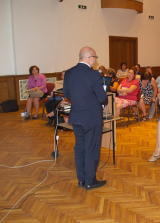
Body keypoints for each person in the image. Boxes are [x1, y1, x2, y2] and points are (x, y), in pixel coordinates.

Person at [63, 46, 108, 190]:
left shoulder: (69, 73)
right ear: (90, 58)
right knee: (91, 149)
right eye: (95, 58)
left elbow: (67, 95)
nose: (95, 60)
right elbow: (102, 98)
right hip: (92, 118)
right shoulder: (94, 75)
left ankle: (81, 179)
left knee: (80, 148)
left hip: (76, 117)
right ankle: (90, 181)